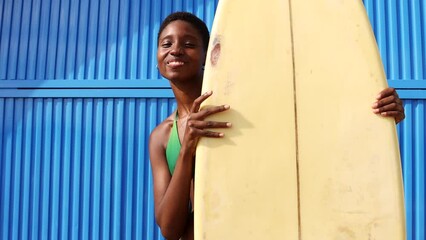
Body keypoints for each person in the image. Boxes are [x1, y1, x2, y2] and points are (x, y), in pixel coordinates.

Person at [149, 12, 405, 240]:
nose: (176, 50)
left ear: (209, 55)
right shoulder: (162, 136)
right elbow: (170, 229)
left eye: (189, 44)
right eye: (166, 44)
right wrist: (187, 150)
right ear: (158, 57)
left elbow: (317, 122)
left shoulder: (244, 108)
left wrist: (378, 115)